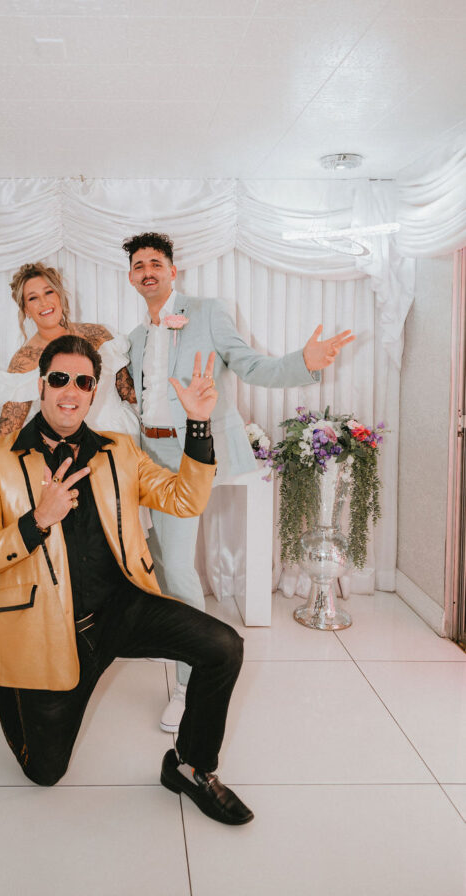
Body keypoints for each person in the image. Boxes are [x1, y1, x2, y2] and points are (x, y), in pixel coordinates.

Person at [0, 333, 254, 826]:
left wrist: (198, 424)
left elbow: (184, 500)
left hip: (123, 607)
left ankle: (190, 767)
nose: (70, 391)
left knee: (222, 646)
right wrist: (36, 520)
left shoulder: (118, 450)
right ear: (41, 384)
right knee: (45, 773)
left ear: (94, 392)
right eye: (59, 379)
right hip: (48, 630)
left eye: (83, 382)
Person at [124, 231, 355, 731]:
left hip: (193, 449)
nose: (148, 271)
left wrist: (303, 364)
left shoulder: (206, 312)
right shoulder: (136, 337)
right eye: (139, 264)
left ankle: (190, 683)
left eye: (156, 263)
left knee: (180, 569)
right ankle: (173, 642)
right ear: (131, 277)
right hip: (148, 454)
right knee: (160, 559)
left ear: (172, 270)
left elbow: (249, 364)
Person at [0, 261, 138, 469]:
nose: (44, 303)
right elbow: (7, 427)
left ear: (60, 295)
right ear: (25, 308)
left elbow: (129, 393)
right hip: (71, 455)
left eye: (48, 292)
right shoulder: (25, 360)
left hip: (124, 441)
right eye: (33, 298)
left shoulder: (98, 335)